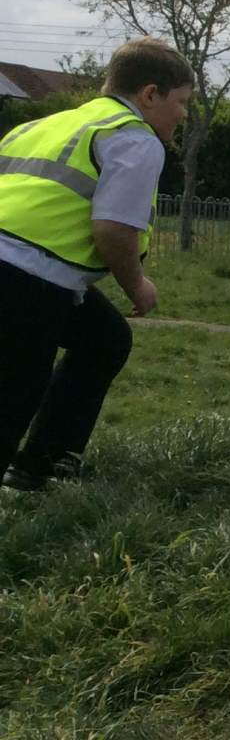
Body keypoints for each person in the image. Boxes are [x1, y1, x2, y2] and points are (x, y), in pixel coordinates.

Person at [0, 37, 193, 492]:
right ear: (150, 94)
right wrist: (137, 286)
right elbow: (113, 230)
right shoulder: (134, 138)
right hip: (29, 280)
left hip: (33, 269)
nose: (183, 115)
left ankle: (44, 465)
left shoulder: (43, 124)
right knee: (12, 396)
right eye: (181, 102)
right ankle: (32, 473)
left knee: (105, 338)